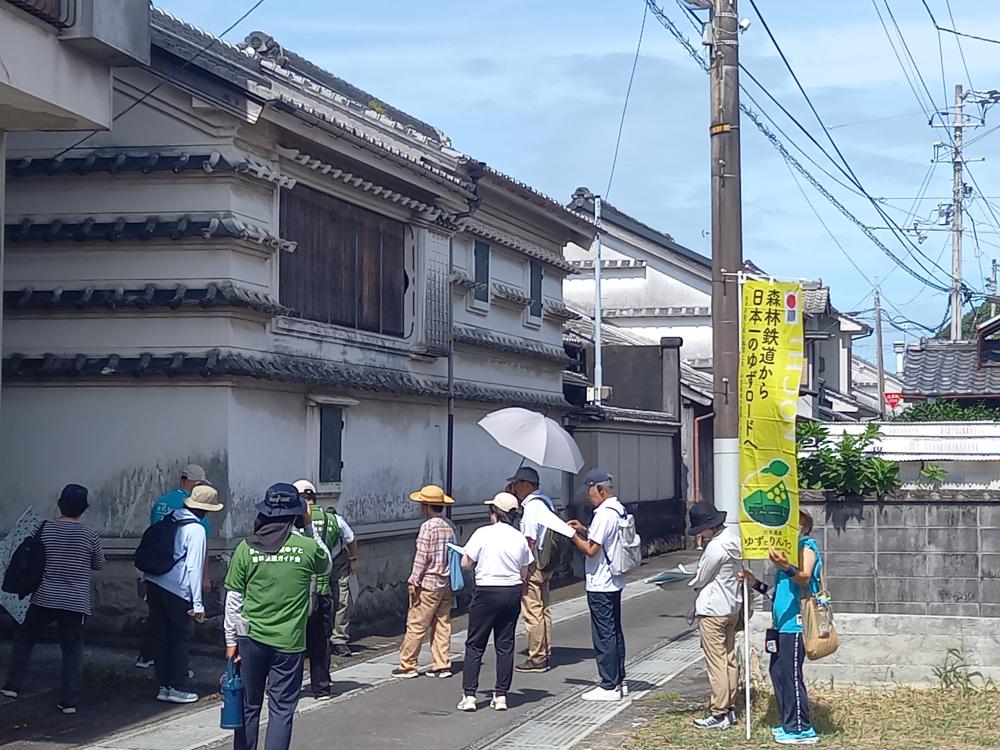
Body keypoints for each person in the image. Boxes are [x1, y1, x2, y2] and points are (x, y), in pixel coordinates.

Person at [224, 483, 332, 750]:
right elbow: (327, 563)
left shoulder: (245, 548)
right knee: (282, 710)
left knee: (248, 707)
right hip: (290, 643)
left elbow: (234, 600)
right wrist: (309, 527)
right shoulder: (306, 548)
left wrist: (230, 642)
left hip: (250, 640)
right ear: (297, 513)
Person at [2, 484, 104, 715]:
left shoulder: (44, 529)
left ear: (60, 504)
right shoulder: (90, 535)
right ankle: (69, 700)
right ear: (83, 509)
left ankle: (12, 686)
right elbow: (98, 564)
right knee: (72, 649)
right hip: (75, 601)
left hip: (44, 597)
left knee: (25, 638)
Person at [740, 511, 823, 746]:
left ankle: (801, 728)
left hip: (795, 624)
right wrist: (754, 583)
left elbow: (804, 577)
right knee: (778, 673)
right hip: (780, 626)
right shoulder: (784, 557)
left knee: (791, 675)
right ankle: (789, 723)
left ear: (804, 527)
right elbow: (778, 594)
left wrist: (787, 567)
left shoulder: (807, 547)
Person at [144, 484, 223, 704]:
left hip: (155, 582)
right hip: (176, 589)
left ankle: (163, 686)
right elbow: (193, 567)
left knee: (161, 637)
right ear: (207, 510)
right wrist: (198, 604)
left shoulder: (173, 517)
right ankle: (178, 687)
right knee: (179, 638)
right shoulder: (196, 529)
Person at [457, 492, 533, 713]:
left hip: (486, 592)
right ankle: (501, 696)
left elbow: (465, 563)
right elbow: (525, 570)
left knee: (475, 644)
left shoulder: (482, 533)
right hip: (511, 592)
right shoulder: (519, 537)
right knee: (505, 645)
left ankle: (469, 696)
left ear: (494, 512)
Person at [138, 463, 212, 669]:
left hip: (154, 572)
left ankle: (147, 658)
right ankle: (176, 678)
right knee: (179, 632)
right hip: (178, 582)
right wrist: (203, 581)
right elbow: (198, 554)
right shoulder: (195, 511)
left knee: (157, 622)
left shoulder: (162, 503)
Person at [568, 469, 627, 702]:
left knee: (603, 634)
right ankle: (619, 680)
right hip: (614, 579)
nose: (588, 495)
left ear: (600, 489)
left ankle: (608, 684)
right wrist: (584, 529)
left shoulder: (604, 514)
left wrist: (572, 535)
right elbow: (604, 538)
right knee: (614, 631)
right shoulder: (619, 509)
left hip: (601, 581)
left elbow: (591, 550)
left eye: (590, 490)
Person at [687, 500, 743, 730]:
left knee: (716, 662)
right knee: (729, 659)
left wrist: (687, 581)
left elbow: (701, 577)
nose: (700, 533)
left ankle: (719, 711)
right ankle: (729, 708)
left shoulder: (715, 547)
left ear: (711, 526)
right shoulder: (735, 541)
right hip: (731, 607)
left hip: (712, 610)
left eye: (701, 529)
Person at [393, 484, 456, 680]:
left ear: (426, 507)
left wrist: (413, 580)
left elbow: (422, 556)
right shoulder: (449, 525)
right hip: (445, 581)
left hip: (427, 582)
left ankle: (408, 664)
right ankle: (442, 664)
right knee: (442, 623)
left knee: (416, 624)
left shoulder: (427, 527)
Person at [293, 480, 339, 700]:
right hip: (321, 591)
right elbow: (327, 558)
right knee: (320, 643)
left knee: (292, 643)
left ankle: (289, 686)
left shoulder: (284, 532)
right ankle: (321, 687)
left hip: (295, 596)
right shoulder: (332, 519)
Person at [509, 467, 555, 674]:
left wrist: (523, 570)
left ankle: (536, 657)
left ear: (527, 485)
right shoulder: (547, 502)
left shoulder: (531, 508)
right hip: (547, 562)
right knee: (544, 609)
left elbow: (530, 540)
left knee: (532, 611)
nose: (515, 488)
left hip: (534, 563)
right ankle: (545, 650)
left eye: (517, 484)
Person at [326, 500, 358, 659]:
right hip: (325, 561)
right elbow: (351, 538)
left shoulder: (336, 521)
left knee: (339, 599)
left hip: (334, 561)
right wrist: (353, 559)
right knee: (339, 601)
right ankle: (334, 639)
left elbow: (351, 539)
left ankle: (337, 639)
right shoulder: (336, 520)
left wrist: (352, 559)